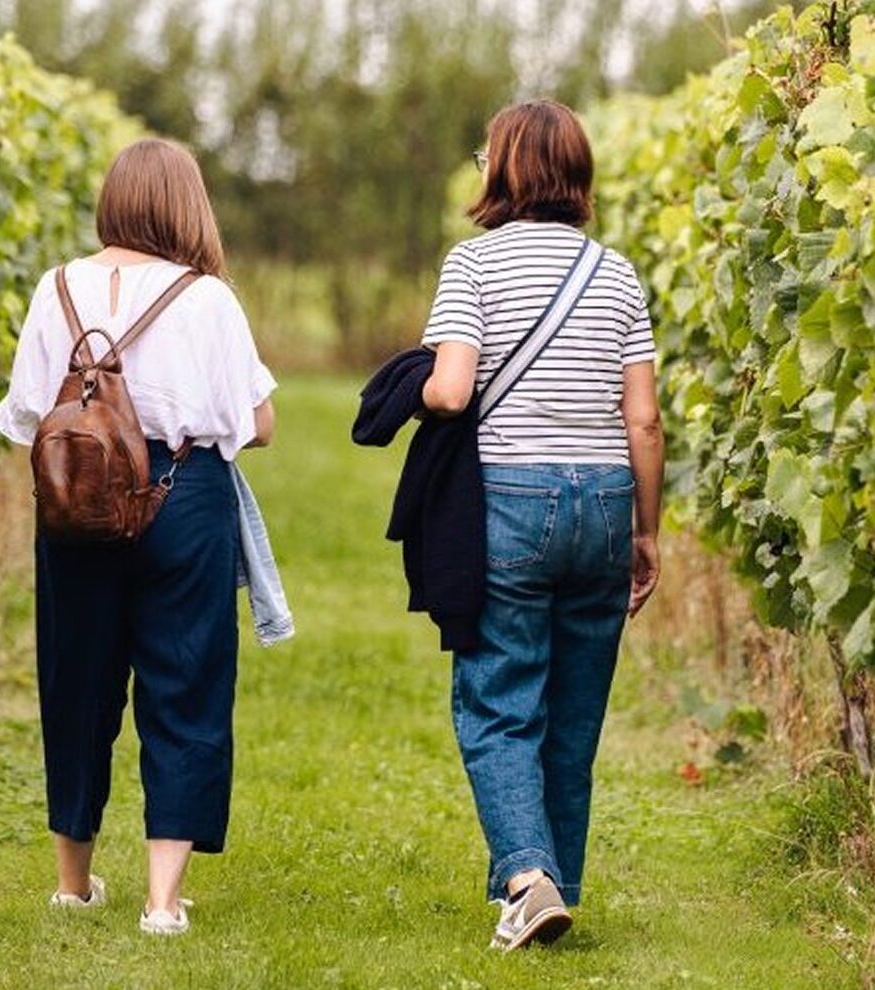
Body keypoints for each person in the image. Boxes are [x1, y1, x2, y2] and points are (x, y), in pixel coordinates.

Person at [0, 138, 277, 936]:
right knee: (184, 680)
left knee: (76, 679)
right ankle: (161, 902)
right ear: (186, 204)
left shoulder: (58, 289)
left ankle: (73, 883)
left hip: (76, 499)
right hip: (182, 495)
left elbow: (24, 413)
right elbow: (255, 424)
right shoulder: (209, 298)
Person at [419, 100, 664, 950]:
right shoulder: (618, 272)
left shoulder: (473, 264)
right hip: (604, 499)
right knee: (573, 709)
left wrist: (409, 387)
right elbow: (643, 421)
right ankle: (552, 880)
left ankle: (528, 877)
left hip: (511, 501)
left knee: (496, 700)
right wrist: (647, 530)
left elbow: (451, 390)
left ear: (505, 168)